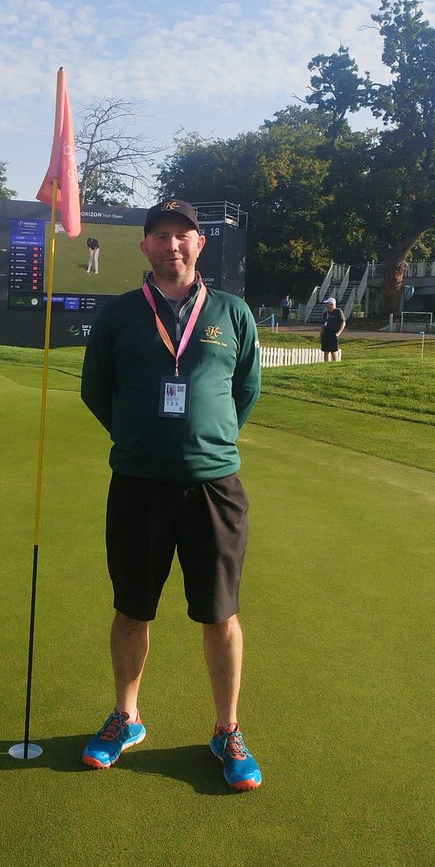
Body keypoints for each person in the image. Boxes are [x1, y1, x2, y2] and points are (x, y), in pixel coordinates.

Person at [80, 199, 263, 790]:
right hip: (138, 486)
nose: (172, 246)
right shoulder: (119, 316)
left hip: (214, 487)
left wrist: (206, 440)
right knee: (133, 607)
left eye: (182, 235)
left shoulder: (233, 313)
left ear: (199, 244)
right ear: (145, 246)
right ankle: (126, 716)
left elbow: (246, 391)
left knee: (221, 614)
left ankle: (226, 728)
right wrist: (139, 439)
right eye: (160, 236)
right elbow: (96, 390)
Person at [320, 296, 346, 361]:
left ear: (332, 304)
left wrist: (338, 333)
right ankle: (326, 365)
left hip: (333, 334)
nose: (326, 305)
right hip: (326, 334)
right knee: (326, 351)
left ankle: (335, 364)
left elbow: (343, 323)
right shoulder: (326, 313)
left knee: (333, 351)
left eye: (328, 304)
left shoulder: (338, 312)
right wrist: (321, 334)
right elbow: (323, 325)